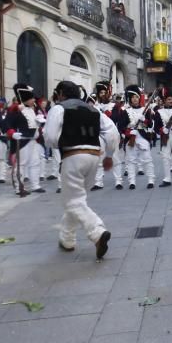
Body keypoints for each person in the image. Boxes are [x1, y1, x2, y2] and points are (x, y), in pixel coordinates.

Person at [43, 80, 118, 259]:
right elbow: (113, 133)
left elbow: (50, 138)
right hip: (94, 156)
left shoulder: (59, 108)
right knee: (77, 200)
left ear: (61, 94)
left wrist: (64, 140)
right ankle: (67, 239)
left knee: (73, 202)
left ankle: (97, 232)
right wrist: (109, 155)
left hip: (73, 156)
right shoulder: (94, 109)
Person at [3, 84, 46, 195]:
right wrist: (12, 134)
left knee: (35, 163)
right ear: (25, 99)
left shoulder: (32, 109)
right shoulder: (15, 109)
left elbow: (32, 125)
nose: (33, 100)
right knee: (20, 164)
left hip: (33, 140)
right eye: (31, 98)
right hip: (22, 141)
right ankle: (19, 187)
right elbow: (7, 125)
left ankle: (35, 185)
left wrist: (40, 125)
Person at [112, 85, 155, 189]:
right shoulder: (125, 111)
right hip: (131, 137)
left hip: (143, 136)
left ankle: (151, 180)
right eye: (133, 97)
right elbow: (121, 127)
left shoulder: (146, 109)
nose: (135, 99)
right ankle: (132, 181)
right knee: (130, 160)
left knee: (147, 158)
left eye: (137, 97)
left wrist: (144, 120)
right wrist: (129, 133)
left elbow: (150, 125)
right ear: (130, 99)